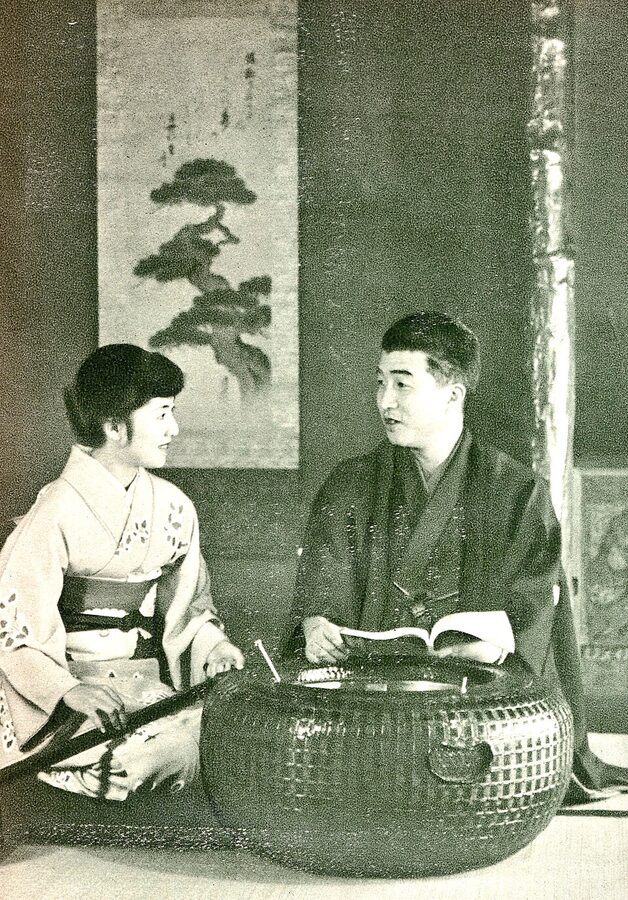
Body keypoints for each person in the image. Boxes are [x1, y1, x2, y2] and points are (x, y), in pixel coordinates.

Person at [283, 310, 628, 801]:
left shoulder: (514, 491)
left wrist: (491, 648)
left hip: (475, 699)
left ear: (454, 393)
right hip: (369, 703)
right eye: (380, 383)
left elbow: (532, 608)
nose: (385, 401)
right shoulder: (351, 484)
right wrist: (315, 624)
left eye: (402, 385)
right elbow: (320, 586)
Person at [0, 344, 244, 800]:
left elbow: (190, 609)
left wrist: (216, 648)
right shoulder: (54, 510)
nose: (174, 429)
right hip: (70, 700)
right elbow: (16, 630)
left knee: (233, 739)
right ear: (114, 426)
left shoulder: (173, 507)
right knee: (169, 755)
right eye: (162, 414)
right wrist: (66, 690)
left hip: (143, 686)